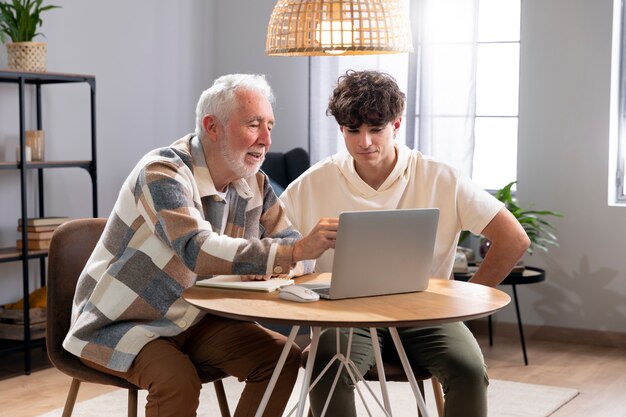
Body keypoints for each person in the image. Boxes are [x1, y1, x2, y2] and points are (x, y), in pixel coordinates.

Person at [63, 74, 338, 417]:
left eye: (270, 125)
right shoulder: (162, 173)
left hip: (196, 318)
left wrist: (278, 260)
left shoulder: (255, 182)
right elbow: (196, 249)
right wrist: (287, 256)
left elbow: (292, 244)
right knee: (177, 381)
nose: (266, 139)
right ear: (212, 127)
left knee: (282, 358)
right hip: (124, 321)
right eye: (254, 125)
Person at [279, 70, 530, 417]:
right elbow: (270, 247)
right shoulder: (312, 183)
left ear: (395, 126)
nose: (365, 141)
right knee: (328, 371)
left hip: (428, 312)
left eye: (376, 129)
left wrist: (468, 299)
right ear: (342, 130)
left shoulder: (440, 176)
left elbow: (514, 238)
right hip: (347, 316)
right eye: (353, 131)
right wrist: (302, 252)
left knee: (469, 371)